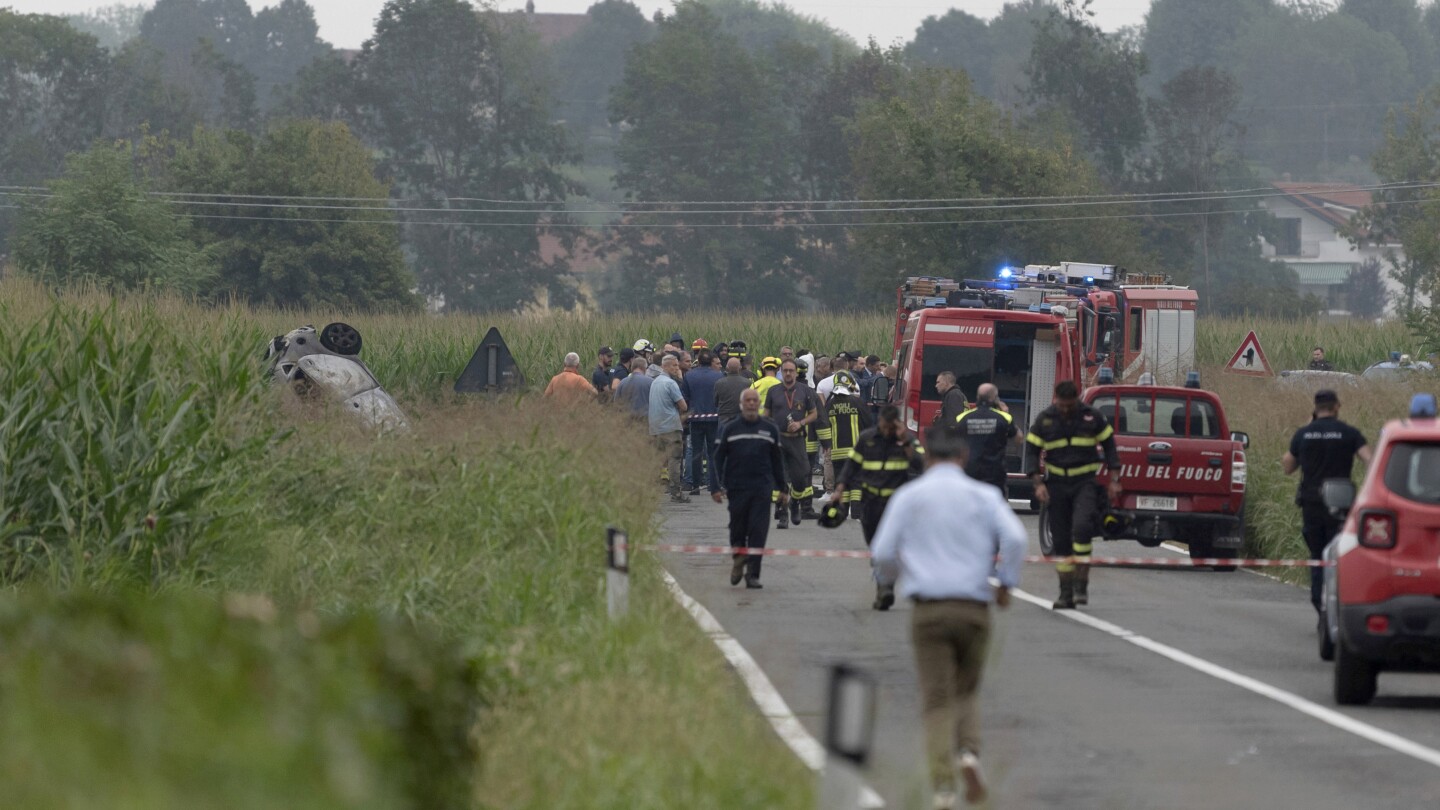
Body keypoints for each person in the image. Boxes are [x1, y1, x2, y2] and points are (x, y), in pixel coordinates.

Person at [870, 425, 1026, 810]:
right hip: (974, 607)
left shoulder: (910, 496)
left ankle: (943, 787)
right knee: (966, 690)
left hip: (930, 609)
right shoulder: (984, 495)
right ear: (963, 456)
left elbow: (883, 551)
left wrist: (893, 578)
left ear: (926, 458)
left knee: (937, 699)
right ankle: (969, 755)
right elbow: (1017, 539)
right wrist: (1005, 583)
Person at [1026, 380, 1122, 609]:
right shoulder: (1046, 419)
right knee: (1060, 541)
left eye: (1069, 406)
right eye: (1061, 405)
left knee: (1081, 529)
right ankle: (1065, 593)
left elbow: (1110, 447)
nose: (1065, 410)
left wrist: (1114, 480)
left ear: (1076, 399)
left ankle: (1081, 585)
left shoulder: (1092, 417)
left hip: (1084, 483)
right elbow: (1031, 451)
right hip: (1056, 485)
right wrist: (1037, 482)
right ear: (1056, 399)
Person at [1282, 389, 1371, 612]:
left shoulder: (1304, 434)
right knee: (1339, 554)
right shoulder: (1349, 433)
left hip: (1312, 504)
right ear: (1337, 406)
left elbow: (1288, 467)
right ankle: (1338, 602)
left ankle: (1317, 601)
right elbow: (1370, 461)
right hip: (1341, 505)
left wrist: (1308, 426)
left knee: (1316, 553)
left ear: (1315, 408)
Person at [833, 405, 925, 609]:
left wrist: (905, 442)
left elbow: (920, 464)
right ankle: (884, 583)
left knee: (889, 547)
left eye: (890, 428)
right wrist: (839, 488)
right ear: (880, 422)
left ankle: (885, 588)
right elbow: (851, 465)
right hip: (870, 503)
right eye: (883, 427)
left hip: (895, 506)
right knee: (875, 547)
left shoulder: (906, 439)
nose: (886, 432)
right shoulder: (867, 438)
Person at [712, 388, 788, 589]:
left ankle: (753, 574)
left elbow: (777, 460)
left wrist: (784, 488)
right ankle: (738, 558)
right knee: (738, 527)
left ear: (759, 404)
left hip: (762, 488)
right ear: (741, 404)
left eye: (755, 400)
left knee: (758, 530)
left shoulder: (769, 429)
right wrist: (715, 487)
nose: (752, 404)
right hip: (736, 487)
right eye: (748, 401)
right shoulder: (730, 428)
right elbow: (718, 458)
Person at [762, 359, 820, 527]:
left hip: (797, 440)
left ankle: (795, 502)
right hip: (779, 439)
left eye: (791, 371)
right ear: (781, 372)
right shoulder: (773, 391)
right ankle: (782, 514)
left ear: (796, 372)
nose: (788, 373)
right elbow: (766, 414)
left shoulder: (805, 391)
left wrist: (800, 423)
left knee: (801, 476)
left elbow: (814, 414)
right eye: (785, 370)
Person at [824, 370, 874, 517]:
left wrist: (826, 445)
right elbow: (868, 423)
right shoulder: (857, 402)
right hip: (855, 452)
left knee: (841, 481)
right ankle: (856, 513)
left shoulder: (830, 404)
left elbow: (824, 425)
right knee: (857, 483)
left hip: (837, 452)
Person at [956, 383, 1018, 495]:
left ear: (978, 397)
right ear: (993, 398)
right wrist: (1007, 414)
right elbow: (1019, 439)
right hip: (994, 475)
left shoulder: (962, 418)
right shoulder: (1003, 417)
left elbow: (954, 443)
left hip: (970, 473)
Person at [649, 354, 690, 503]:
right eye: (674, 365)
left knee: (657, 459)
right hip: (671, 426)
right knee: (674, 459)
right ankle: (676, 492)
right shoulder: (670, 384)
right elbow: (683, 406)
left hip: (655, 426)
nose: (677, 368)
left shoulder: (654, 383)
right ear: (665, 366)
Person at [683, 348, 724, 494]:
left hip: (695, 418)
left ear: (698, 361)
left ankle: (695, 485)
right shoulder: (718, 375)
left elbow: (685, 397)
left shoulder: (689, 375)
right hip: (714, 418)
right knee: (713, 452)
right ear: (710, 361)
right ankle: (714, 485)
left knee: (696, 452)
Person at [714, 357, 751, 425]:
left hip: (724, 418)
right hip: (741, 418)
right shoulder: (747, 383)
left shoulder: (719, 383)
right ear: (740, 367)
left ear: (727, 368)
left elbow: (716, 402)